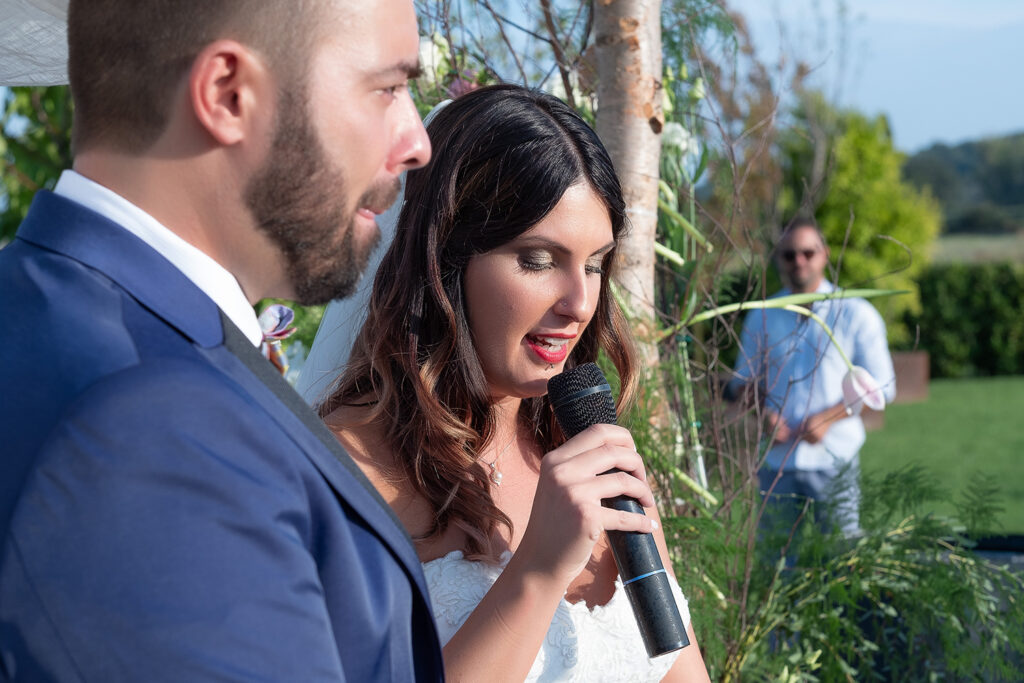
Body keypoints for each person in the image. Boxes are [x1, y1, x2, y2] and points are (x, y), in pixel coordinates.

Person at [0, 1, 444, 680]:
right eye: (386, 89)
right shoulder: (149, 422)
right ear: (227, 95)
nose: (417, 142)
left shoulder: (46, 318)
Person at [315, 85, 710, 682]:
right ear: (445, 259)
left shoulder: (584, 450)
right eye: (538, 259)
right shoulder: (348, 469)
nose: (579, 302)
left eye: (595, 264)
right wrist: (537, 572)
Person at [729, 217, 897, 537]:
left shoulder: (854, 312)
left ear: (826, 254)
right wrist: (763, 413)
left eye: (808, 252)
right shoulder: (762, 313)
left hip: (834, 458)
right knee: (775, 564)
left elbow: (884, 385)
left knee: (839, 557)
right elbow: (743, 382)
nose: (799, 261)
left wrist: (829, 418)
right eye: (789, 255)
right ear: (778, 259)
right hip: (777, 463)